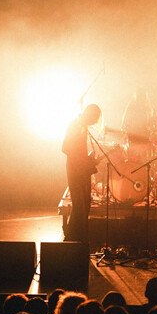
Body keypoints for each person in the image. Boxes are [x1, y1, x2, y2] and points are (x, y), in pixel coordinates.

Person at [63, 104, 102, 243]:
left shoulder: (83, 127)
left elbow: (79, 150)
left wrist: (88, 160)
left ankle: (74, 240)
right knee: (79, 206)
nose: (96, 122)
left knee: (85, 205)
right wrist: (82, 162)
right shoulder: (75, 126)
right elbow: (65, 147)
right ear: (89, 114)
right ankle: (71, 242)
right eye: (95, 118)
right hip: (75, 171)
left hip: (82, 171)